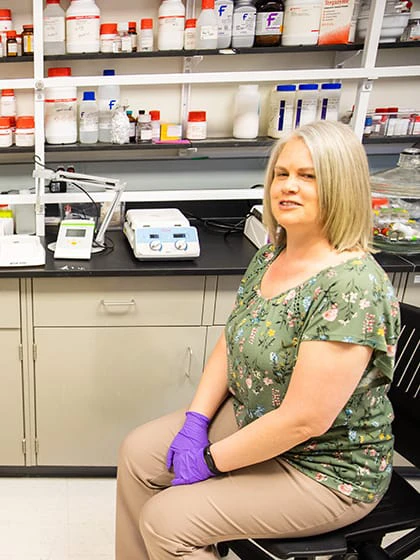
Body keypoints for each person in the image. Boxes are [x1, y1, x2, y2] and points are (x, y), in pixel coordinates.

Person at [116, 120, 400, 560]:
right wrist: (195, 424)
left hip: (325, 468)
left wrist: (210, 461)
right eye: (280, 174)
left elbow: (304, 421)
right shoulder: (273, 254)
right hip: (255, 418)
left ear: (342, 186)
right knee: (139, 453)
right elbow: (231, 342)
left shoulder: (353, 286)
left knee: (167, 521)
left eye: (308, 176)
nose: (288, 186)